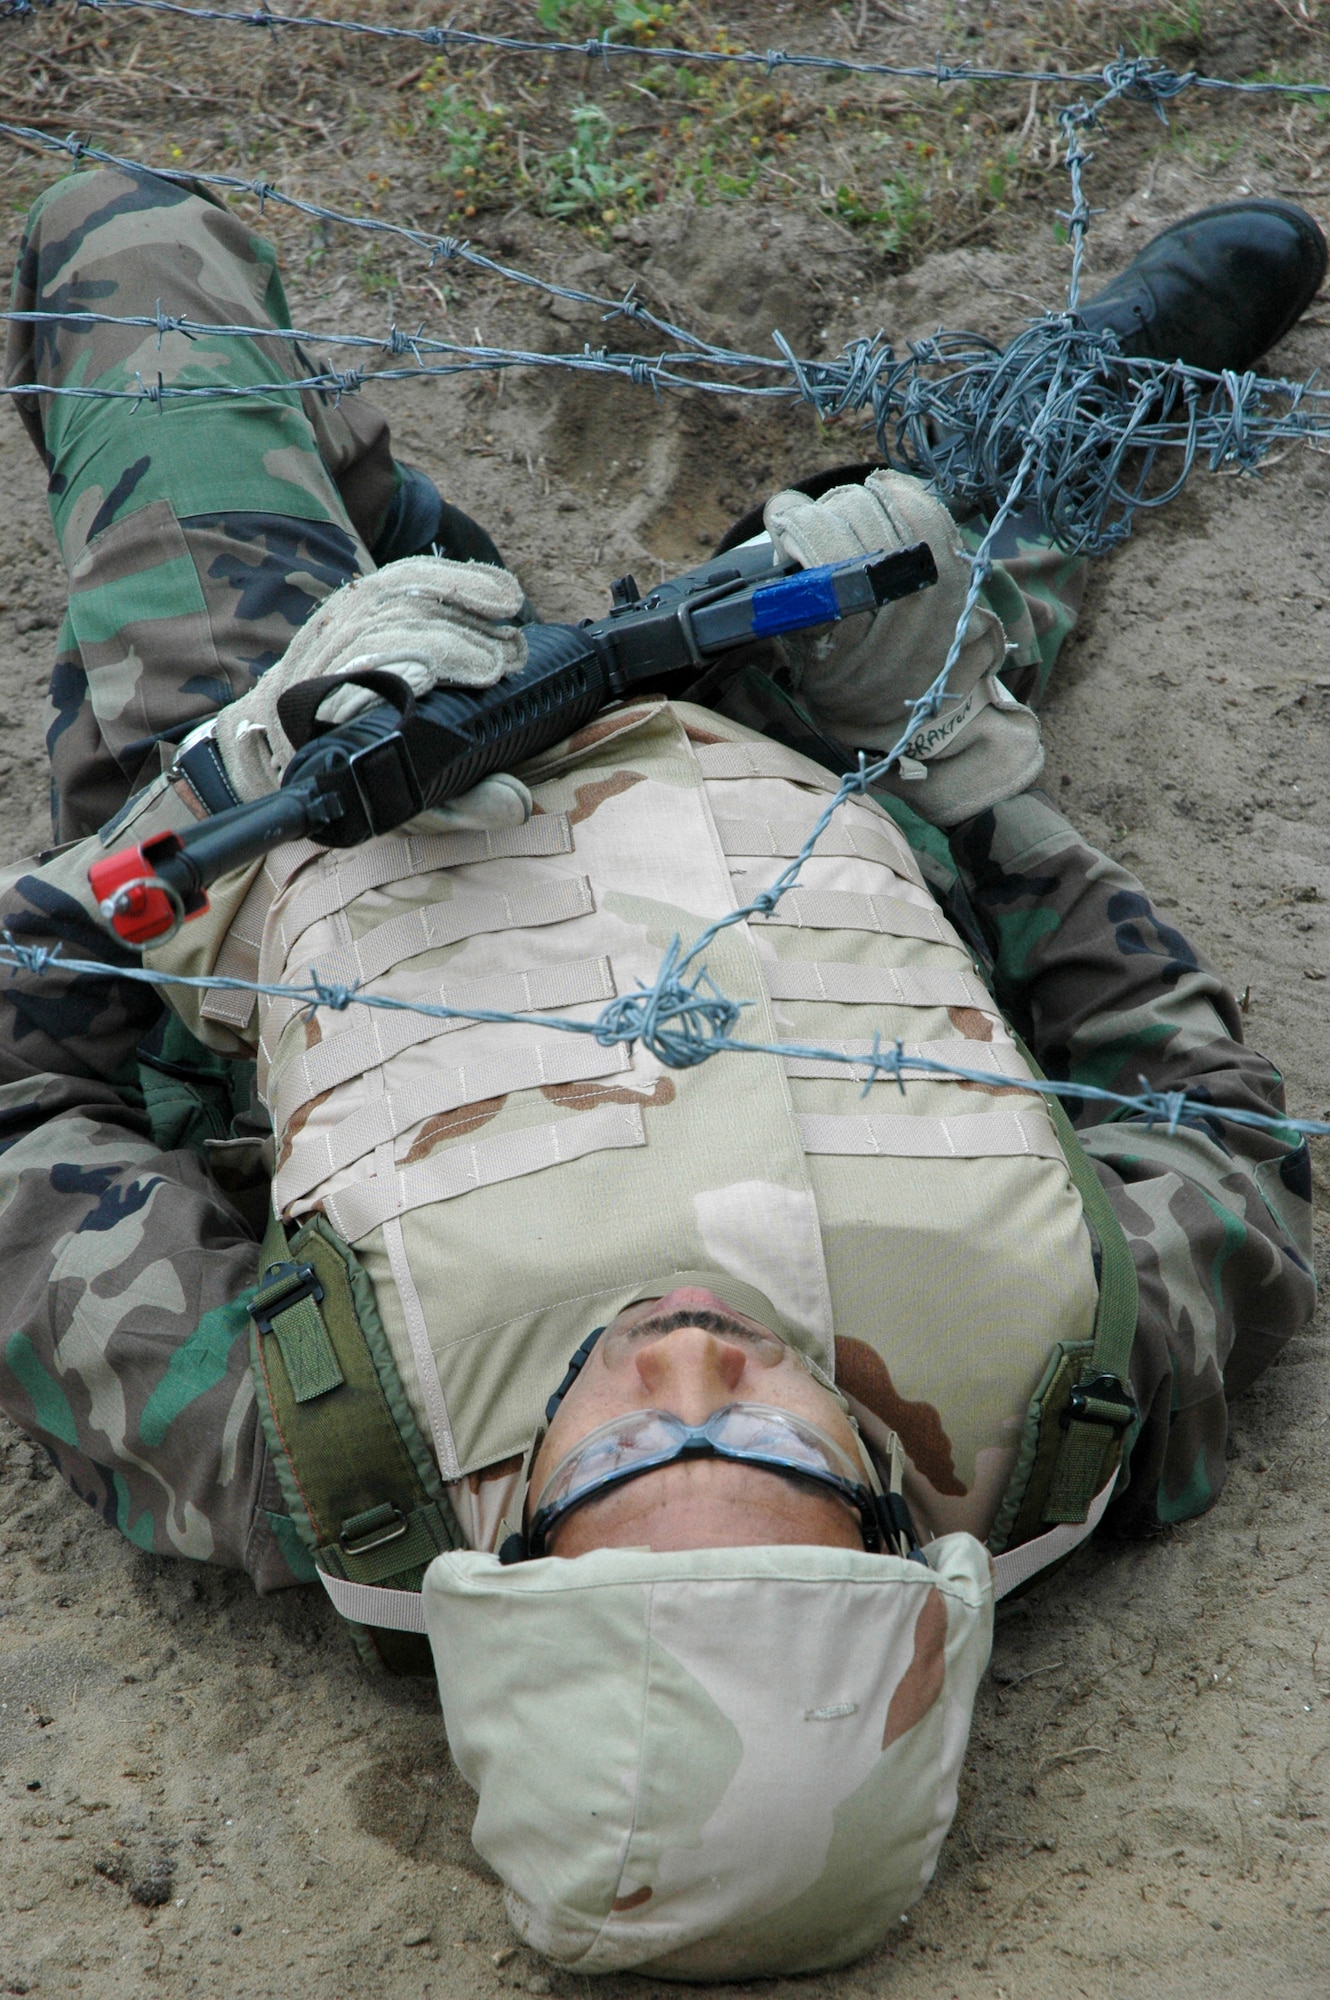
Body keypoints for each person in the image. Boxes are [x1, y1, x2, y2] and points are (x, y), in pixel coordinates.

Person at [0, 168, 1320, 1978]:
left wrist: (213, 795)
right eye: (773, 1440)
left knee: (136, 243)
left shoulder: (298, 1452)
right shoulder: (1082, 1399)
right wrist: (957, 764)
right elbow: (1215, 1130)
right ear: (891, 1521)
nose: (696, 1359)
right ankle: (1030, 419)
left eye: (633, 1454)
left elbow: (23, 1103)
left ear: (516, 1550)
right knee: (941, 533)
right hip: (796, 758)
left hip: (330, 788)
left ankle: (390, 571)